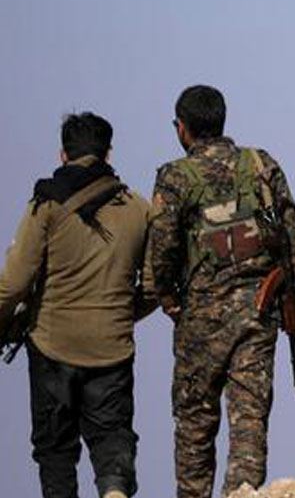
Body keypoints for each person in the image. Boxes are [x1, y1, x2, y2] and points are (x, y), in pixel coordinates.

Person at [147, 85, 295, 498]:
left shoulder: (175, 177)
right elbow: (293, 241)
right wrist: (293, 303)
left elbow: (161, 250)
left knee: (195, 423)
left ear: (181, 128)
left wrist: (169, 300)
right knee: (249, 421)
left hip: (200, 321)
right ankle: (242, 493)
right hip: (258, 312)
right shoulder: (260, 164)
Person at [0, 113, 153, 498]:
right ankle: (114, 489)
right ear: (108, 153)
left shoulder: (46, 205)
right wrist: (120, 314)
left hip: (51, 347)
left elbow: (14, 283)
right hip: (112, 348)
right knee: (112, 438)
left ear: (63, 154)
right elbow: (155, 286)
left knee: (55, 450)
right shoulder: (139, 209)